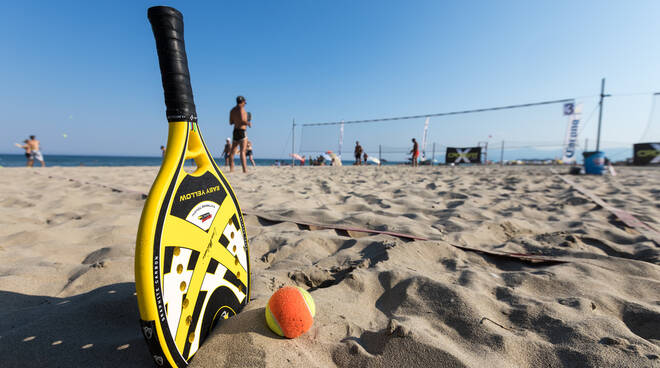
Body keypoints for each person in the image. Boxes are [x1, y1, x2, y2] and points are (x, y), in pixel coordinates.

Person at [229, 96, 251, 173]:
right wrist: (248, 123)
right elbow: (242, 120)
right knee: (242, 151)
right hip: (242, 131)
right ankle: (244, 170)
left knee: (232, 152)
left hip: (235, 131)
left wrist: (236, 120)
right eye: (245, 102)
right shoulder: (242, 109)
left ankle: (231, 169)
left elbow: (231, 122)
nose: (245, 104)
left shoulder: (232, 110)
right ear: (242, 102)